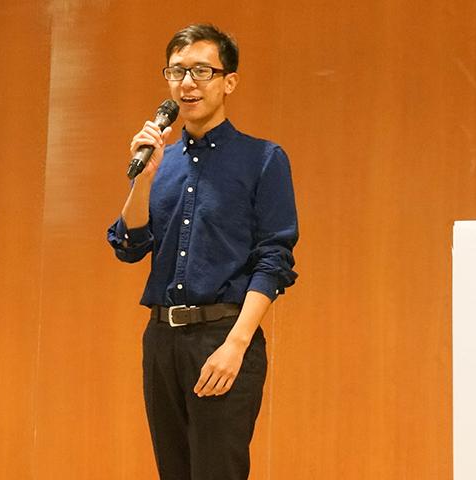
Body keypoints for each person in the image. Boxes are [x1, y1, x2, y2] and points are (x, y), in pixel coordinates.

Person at [106, 23, 298, 480]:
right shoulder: (161, 162)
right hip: (161, 341)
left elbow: (274, 259)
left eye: (201, 71)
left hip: (224, 336)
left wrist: (236, 344)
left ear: (228, 81)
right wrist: (143, 179)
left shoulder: (263, 159)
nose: (187, 83)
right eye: (177, 72)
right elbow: (130, 246)